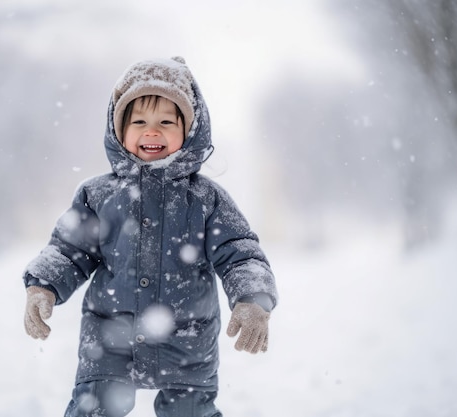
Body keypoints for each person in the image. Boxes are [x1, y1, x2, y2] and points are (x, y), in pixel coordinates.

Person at [22, 56, 278, 417]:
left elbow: (241, 253)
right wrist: (42, 285)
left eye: (165, 122)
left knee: (189, 412)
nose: (151, 131)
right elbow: (68, 249)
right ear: (119, 129)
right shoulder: (98, 195)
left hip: (186, 340)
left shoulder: (206, 198)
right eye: (139, 121)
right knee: (93, 408)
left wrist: (253, 298)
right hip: (111, 336)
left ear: (188, 130)